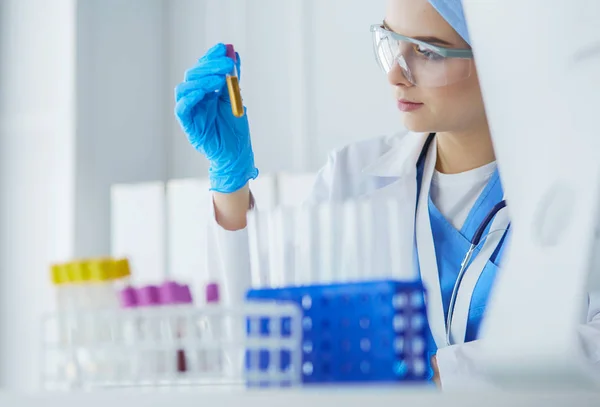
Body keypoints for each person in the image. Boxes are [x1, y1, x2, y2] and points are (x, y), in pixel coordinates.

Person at [174, 0, 600, 388]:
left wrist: (443, 374)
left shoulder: (583, 184)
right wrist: (231, 185)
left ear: (500, 60)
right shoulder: (350, 178)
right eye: (391, 41)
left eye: (427, 51)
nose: (396, 73)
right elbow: (264, 348)